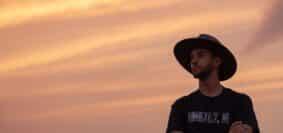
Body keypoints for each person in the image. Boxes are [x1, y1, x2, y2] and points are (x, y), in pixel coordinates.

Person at [166, 34, 260, 133]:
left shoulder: (240, 102)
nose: (194, 61)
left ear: (216, 61)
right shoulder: (181, 106)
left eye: (200, 55)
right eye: (192, 57)